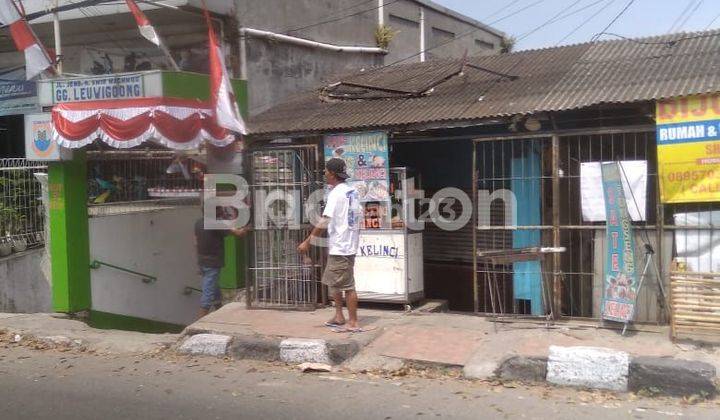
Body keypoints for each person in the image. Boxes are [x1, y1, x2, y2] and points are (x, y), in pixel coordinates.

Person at [298, 158, 362, 331]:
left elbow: (325, 220)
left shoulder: (336, 194)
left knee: (348, 286)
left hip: (342, 246)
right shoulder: (352, 191)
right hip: (345, 243)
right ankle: (339, 316)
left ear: (332, 174)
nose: (324, 174)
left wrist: (307, 241)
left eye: (326, 171)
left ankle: (353, 322)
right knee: (334, 282)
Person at [195, 207, 250, 318]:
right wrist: (248, 227)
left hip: (202, 260)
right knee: (208, 293)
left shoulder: (199, 223)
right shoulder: (216, 224)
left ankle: (220, 311)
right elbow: (239, 233)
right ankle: (199, 321)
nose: (222, 211)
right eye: (219, 208)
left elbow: (195, 242)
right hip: (212, 262)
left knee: (214, 289)